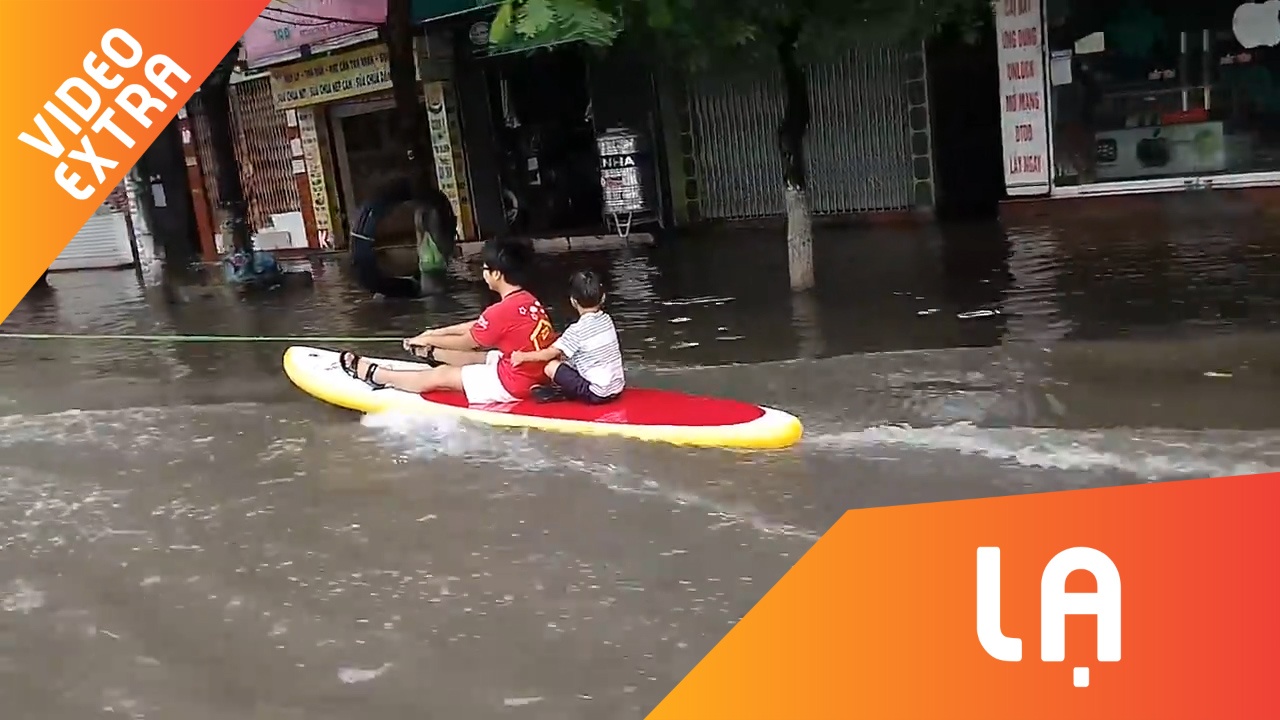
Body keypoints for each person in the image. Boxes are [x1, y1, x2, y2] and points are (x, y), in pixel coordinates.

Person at [339, 237, 556, 404]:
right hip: (535, 374)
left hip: (516, 384)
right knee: (487, 357)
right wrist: (433, 334)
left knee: (442, 375)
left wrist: (428, 338)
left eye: (485, 268)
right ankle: (433, 354)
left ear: (497, 274)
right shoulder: (526, 299)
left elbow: (467, 341)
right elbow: (479, 324)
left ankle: (376, 375)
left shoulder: (501, 310)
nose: (483, 273)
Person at [510, 269, 625, 404]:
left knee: (551, 366)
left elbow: (548, 354)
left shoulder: (576, 330)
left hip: (596, 394)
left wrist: (522, 357)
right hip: (617, 388)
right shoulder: (607, 320)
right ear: (603, 297)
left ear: (573, 301)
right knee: (567, 359)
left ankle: (566, 393)